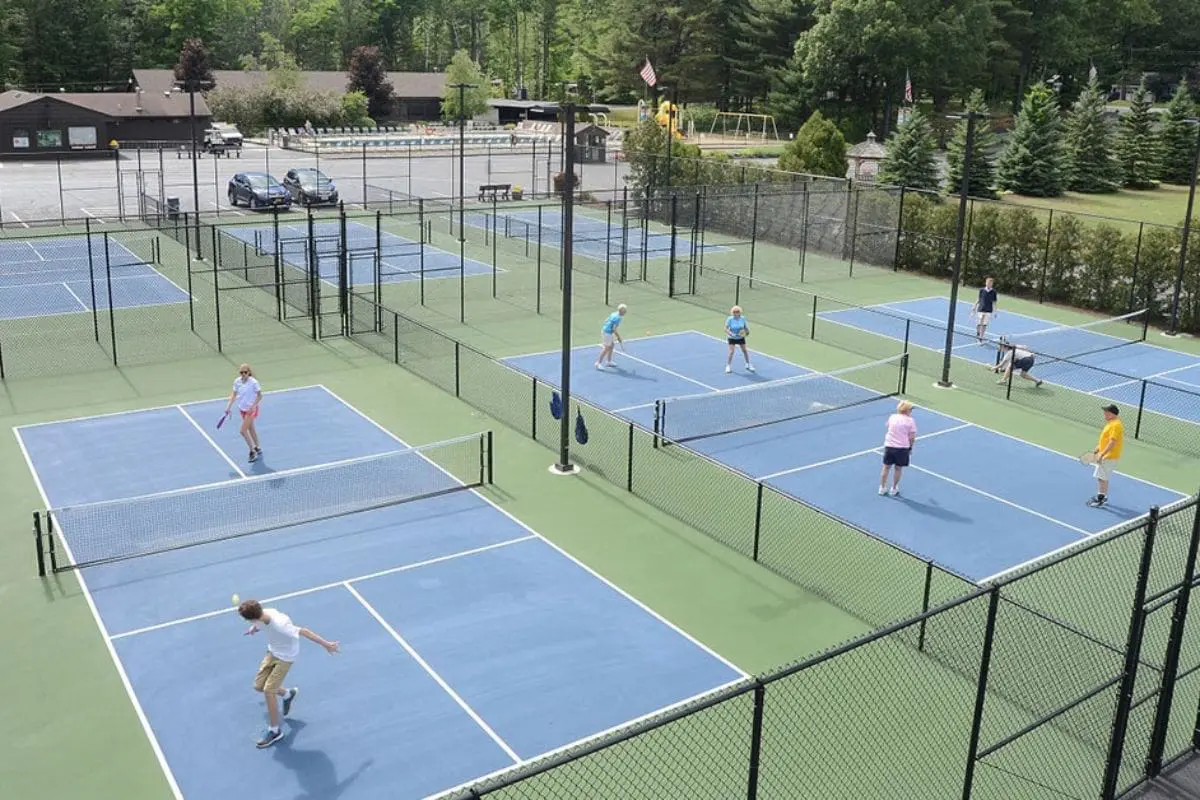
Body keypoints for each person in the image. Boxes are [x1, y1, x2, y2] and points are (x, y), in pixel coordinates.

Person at [238, 599, 339, 749]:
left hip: (286, 657)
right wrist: (254, 628)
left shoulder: (281, 625)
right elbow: (259, 623)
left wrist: (327, 645)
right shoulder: (262, 615)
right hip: (273, 651)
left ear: (254, 617)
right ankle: (287, 694)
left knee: (268, 690)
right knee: (258, 686)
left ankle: (275, 731)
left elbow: (303, 631)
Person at [224, 364, 263, 462]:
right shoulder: (237, 382)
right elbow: (234, 395)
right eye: (241, 372)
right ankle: (257, 447)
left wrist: (253, 406)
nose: (243, 374)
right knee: (251, 428)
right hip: (242, 409)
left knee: (243, 431)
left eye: (245, 372)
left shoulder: (254, 382)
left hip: (251, 410)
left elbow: (259, 396)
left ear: (249, 372)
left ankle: (252, 451)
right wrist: (228, 407)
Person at [1088, 405, 1125, 508]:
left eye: (1106, 412)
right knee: (1102, 477)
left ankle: (1101, 499)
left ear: (1112, 413)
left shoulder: (1116, 425)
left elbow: (1112, 442)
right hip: (1106, 455)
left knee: (1102, 477)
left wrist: (1102, 454)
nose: (1104, 414)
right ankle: (1102, 496)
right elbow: (1106, 439)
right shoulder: (1111, 423)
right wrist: (1098, 448)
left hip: (1109, 456)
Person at [880, 400, 917, 497]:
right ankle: (894, 488)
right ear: (907, 410)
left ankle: (882, 488)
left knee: (886, 467)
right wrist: (910, 448)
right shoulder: (911, 421)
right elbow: (912, 437)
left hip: (889, 446)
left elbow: (887, 426)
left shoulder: (892, 417)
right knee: (898, 469)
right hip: (902, 448)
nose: (911, 411)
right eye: (910, 409)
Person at [724, 306, 755, 374]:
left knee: (744, 351)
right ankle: (728, 366)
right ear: (732, 312)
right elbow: (725, 329)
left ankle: (748, 364)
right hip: (732, 338)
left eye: (737, 312)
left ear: (739, 312)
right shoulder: (730, 319)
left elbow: (745, 327)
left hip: (740, 337)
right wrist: (731, 334)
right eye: (734, 312)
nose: (736, 313)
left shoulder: (742, 318)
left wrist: (747, 332)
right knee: (731, 352)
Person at [595, 304, 627, 370]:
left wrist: (607, 327)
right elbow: (614, 329)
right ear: (621, 311)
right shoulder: (618, 318)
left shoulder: (614, 313)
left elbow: (606, 320)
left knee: (612, 345)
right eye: (624, 311)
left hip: (605, 331)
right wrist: (619, 337)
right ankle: (598, 363)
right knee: (606, 348)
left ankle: (609, 362)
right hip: (607, 333)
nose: (625, 312)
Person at [972, 277, 999, 341]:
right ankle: (978, 332)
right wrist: (974, 306)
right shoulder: (981, 290)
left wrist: (995, 311)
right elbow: (978, 299)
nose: (989, 284)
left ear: (992, 284)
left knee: (984, 324)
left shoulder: (994, 292)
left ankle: (981, 337)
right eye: (988, 283)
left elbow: (994, 302)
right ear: (986, 283)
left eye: (990, 283)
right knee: (979, 323)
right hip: (981, 309)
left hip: (988, 310)